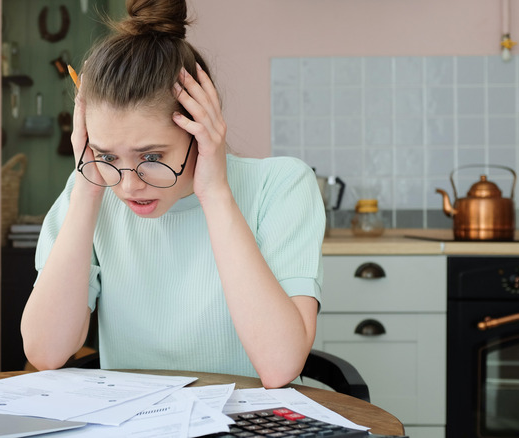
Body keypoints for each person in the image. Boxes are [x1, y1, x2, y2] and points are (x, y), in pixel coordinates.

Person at [21, 0, 324, 388]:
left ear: (201, 129)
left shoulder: (282, 186)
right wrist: (87, 188)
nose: (129, 185)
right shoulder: (94, 187)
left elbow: (280, 366)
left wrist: (215, 194)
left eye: (151, 156)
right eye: (107, 153)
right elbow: (45, 352)